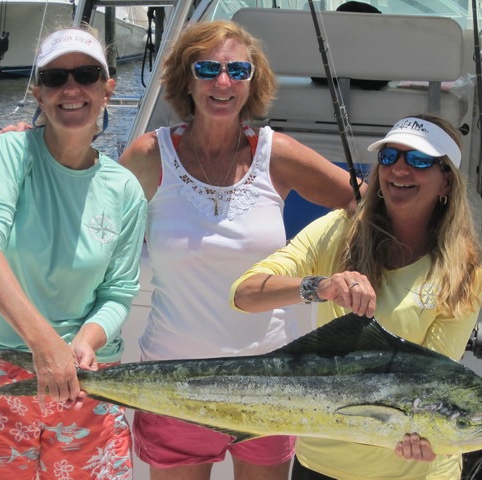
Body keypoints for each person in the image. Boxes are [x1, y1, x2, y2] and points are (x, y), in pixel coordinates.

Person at [118, 20, 364, 480]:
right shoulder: (148, 156)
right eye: (207, 68)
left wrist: (349, 272)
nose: (223, 82)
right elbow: (94, 227)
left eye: (239, 70)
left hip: (268, 381)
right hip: (175, 382)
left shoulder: (278, 153)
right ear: (185, 79)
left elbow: (361, 202)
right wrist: (32, 145)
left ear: (254, 82)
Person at [231, 114, 482, 480]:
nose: (400, 170)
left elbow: (430, 380)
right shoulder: (338, 229)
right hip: (319, 463)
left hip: (412, 472)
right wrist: (318, 287)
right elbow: (244, 294)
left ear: (446, 180)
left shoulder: (463, 270)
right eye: (390, 157)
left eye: (419, 160)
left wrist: (425, 436)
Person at [0, 27, 147, 480]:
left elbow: (119, 291)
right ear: (38, 92)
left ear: (107, 88)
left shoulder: (125, 189)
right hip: (1, 375)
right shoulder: (11, 151)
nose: (71, 88)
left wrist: (85, 341)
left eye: (87, 74)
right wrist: (45, 345)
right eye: (55, 78)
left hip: (87, 383)